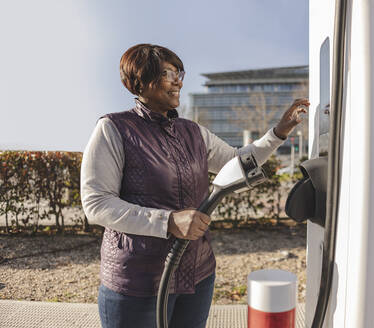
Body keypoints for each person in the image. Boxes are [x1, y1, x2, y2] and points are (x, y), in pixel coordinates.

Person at [81, 43, 309, 328]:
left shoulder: (193, 132)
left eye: (179, 72)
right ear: (141, 80)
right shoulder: (114, 129)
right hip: (137, 282)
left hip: (197, 276)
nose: (178, 80)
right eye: (168, 73)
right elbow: (96, 204)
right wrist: (168, 221)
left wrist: (279, 132)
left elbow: (237, 163)